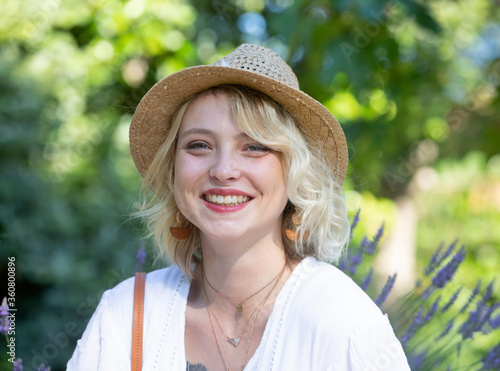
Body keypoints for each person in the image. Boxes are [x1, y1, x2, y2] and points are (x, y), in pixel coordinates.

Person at [68, 43, 410, 370]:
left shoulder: (343, 322)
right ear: (173, 171)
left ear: (295, 172)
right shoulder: (126, 316)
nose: (223, 170)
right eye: (199, 145)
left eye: (254, 147)